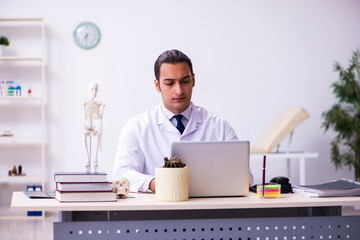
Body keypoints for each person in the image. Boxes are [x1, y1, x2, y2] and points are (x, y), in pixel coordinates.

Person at [113, 49, 254, 192]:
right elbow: (121, 175)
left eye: (185, 81)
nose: (179, 90)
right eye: (169, 83)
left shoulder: (219, 126)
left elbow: (245, 177)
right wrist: (156, 183)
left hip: (208, 209)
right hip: (157, 210)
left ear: (193, 80)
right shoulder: (137, 127)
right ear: (157, 85)